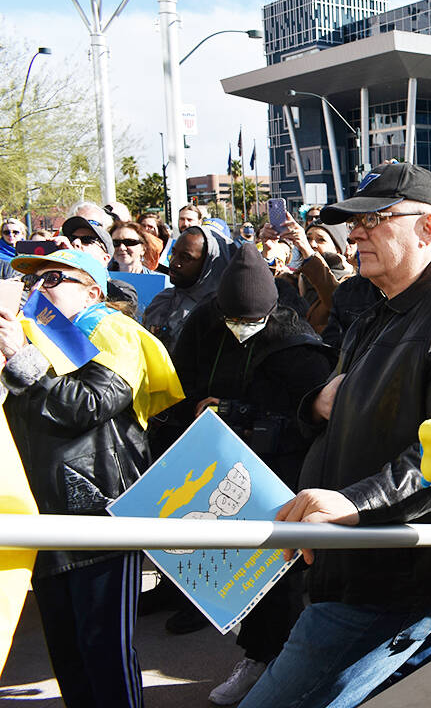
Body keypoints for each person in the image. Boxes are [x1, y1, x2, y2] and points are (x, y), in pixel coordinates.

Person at [237, 162, 431, 708]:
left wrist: (353, 503)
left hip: (386, 580)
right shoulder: (375, 313)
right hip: (346, 564)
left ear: (428, 228)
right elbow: (343, 411)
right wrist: (313, 407)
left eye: (374, 219)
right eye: (352, 221)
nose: (354, 232)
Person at [0, 248, 183, 708]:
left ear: (92, 290)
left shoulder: (111, 329)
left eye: (54, 277)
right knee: (67, 656)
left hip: (98, 511)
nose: (39, 287)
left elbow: (90, 404)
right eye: (33, 281)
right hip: (41, 516)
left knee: (105, 653)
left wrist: (20, 357)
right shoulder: (29, 336)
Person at [168, 244, 335, 704]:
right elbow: (179, 384)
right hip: (213, 463)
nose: (242, 330)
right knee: (225, 565)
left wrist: (248, 416)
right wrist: (199, 407)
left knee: (277, 580)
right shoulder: (203, 323)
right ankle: (256, 654)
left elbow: (316, 415)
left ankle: (271, 661)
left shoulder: (297, 345)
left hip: (279, 471)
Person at [142, 224, 230, 351]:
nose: (174, 263)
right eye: (174, 253)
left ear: (207, 264)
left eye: (186, 258)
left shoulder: (218, 313)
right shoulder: (162, 300)